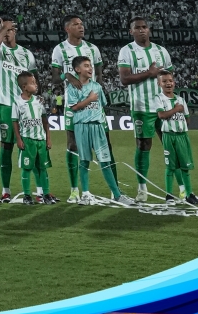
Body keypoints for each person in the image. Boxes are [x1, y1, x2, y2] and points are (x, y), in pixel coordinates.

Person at [51, 15, 117, 204]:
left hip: (94, 105)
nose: (81, 27)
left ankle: (115, 191)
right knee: (73, 146)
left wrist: (98, 91)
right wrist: (67, 75)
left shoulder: (93, 49)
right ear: (67, 28)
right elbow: (55, 79)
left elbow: (99, 75)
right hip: (74, 105)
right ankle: (75, 190)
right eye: (76, 24)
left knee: (106, 145)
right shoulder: (60, 49)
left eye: (81, 24)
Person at [118, 16, 178, 203]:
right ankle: (142, 188)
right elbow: (124, 79)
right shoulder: (127, 51)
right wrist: (149, 73)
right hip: (142, 107)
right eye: (137, 28)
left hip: (163, 105)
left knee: (171, 145)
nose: (142, 30)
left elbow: (169, 77)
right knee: (144, 145)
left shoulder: (161, 51)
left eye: (144, 27)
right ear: (131, 31)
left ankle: (176, 189)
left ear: (149, 29)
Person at [67, 57, 135, 206]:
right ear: (77, 69)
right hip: (81, 126)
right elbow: (74, 107)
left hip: (97, 126)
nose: (90, 68)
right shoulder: (72, 88)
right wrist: (89, 99)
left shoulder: (97, 86)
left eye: (91, 66)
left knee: (105, 161)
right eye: (86, 66)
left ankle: (117, 195)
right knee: (84, 161)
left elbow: (102, 104)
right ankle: (85, 194)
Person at [0, 16, 42, 203]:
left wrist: (36, 97)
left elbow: (35, 79)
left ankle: (40, 191)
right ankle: (6, 190)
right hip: (6, 106)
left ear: (15, 31)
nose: (6, 32)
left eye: (9, 29)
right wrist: (3, 28)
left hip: (25, 107)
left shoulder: (26, 54)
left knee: (30, 146)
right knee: (6, 147)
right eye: (2, 29)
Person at [155, 70, 198, 205]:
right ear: (159, 83)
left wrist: (180, 124)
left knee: (185, 166)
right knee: (170, 166)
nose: (168, 83)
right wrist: (176, 110)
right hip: (169, 136)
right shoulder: (159, 98)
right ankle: (169, 196)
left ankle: (189, 194)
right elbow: (161, 115)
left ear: (174, 82)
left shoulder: (181, 99)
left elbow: (187, 118)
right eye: (164, 81)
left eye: (170, 81)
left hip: (182, 136)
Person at [12, 72, 55, 205]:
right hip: (27, 140)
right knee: (26, 168)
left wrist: (48, 139)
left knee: (42, 168)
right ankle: (27, 195)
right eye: (33, 83)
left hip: (40, 140)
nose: (36, 85)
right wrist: (18, 139)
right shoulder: (17, 102)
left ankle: (46, 194)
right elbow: (15, 122)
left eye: (35, 82)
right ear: (24, 87)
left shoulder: (38, 101)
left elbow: (45, 121)